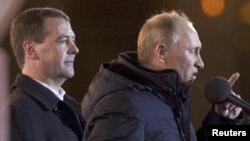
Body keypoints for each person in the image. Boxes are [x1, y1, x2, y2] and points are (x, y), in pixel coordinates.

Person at [81, 10, 244, 141]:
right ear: (162, 52)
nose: (201, 63)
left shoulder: (167, 100)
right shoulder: (123, 106)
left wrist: (222, 121)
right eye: (193, 51)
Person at [9, 7, 85, 141]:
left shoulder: (75, 108)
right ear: (31, 50)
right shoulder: (16, 113)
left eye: (73, 40)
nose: (75, 49)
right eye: (63, 41)